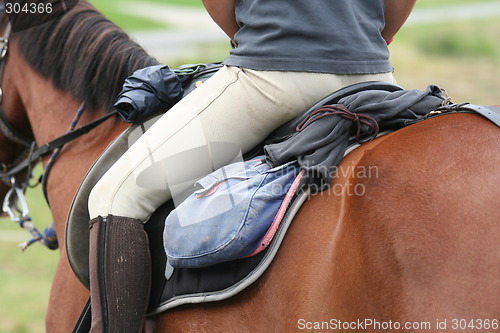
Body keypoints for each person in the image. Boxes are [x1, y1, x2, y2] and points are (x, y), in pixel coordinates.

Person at [87, 0, 416, 331]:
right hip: (375, 77)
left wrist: (255, 38)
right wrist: (363, 39)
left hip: (271, 75)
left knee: (114, 198)